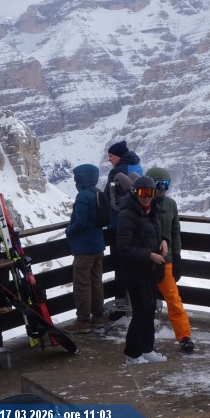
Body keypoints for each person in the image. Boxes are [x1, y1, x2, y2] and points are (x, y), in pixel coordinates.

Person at [116, 173, 168, 365]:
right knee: (140, 311)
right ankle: (132, 354)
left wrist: (164, 241)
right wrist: (149, 255)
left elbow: (155, 234)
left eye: (150, 193)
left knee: (149, 309)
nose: (146, 197)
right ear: (134, 192)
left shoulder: (151, 211)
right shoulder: (127, 214)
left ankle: (146, 349)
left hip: (149, 271)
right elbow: (123, 248)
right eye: (142, 193)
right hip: (134, 272)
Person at [145, 166, 195, 353]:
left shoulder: (170, 204)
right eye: (159, 185)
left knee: (173, 299)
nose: (163, 189)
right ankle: (145, 339)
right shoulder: (141, 204)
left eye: (166, 185)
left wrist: (177, 257)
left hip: (166, 261)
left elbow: (175, 232)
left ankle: (184, 337)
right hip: (145, 261)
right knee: (146, 302)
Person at [64, 164, 106, 334]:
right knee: (96, 283)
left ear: (82, 178)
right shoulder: (97, 193)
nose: (75, 181)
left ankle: (83, 322)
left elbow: (80, 223)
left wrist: (68, 230)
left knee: (82, 285)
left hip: (84, 249)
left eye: (76, 177)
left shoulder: (83, 196)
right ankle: (98, 318)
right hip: (98, 246)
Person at [104, 140, 144, 311]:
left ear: (119, 156)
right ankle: (137, 303)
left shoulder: (117, 172)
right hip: (138, 224)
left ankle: (122, 306)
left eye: (111, 156)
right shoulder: (138, 167)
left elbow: (108, 197)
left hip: (119, 225)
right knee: (135, 265)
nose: (109, 160)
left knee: (120, 266)